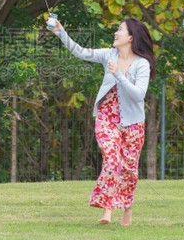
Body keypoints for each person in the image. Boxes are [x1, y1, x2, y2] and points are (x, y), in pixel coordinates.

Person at [47, 16, 156, 226]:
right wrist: (60, 31)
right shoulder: (109, 55)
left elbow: (138, 95)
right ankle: (107, 210)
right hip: (107, 117)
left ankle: (127, 208)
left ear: (131, 38)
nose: (116, 33)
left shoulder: (142, 64)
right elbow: (81, 51)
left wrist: (120, 75)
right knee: (112, 160)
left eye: (120, 30)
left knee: (129, 168)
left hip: (133, 123)